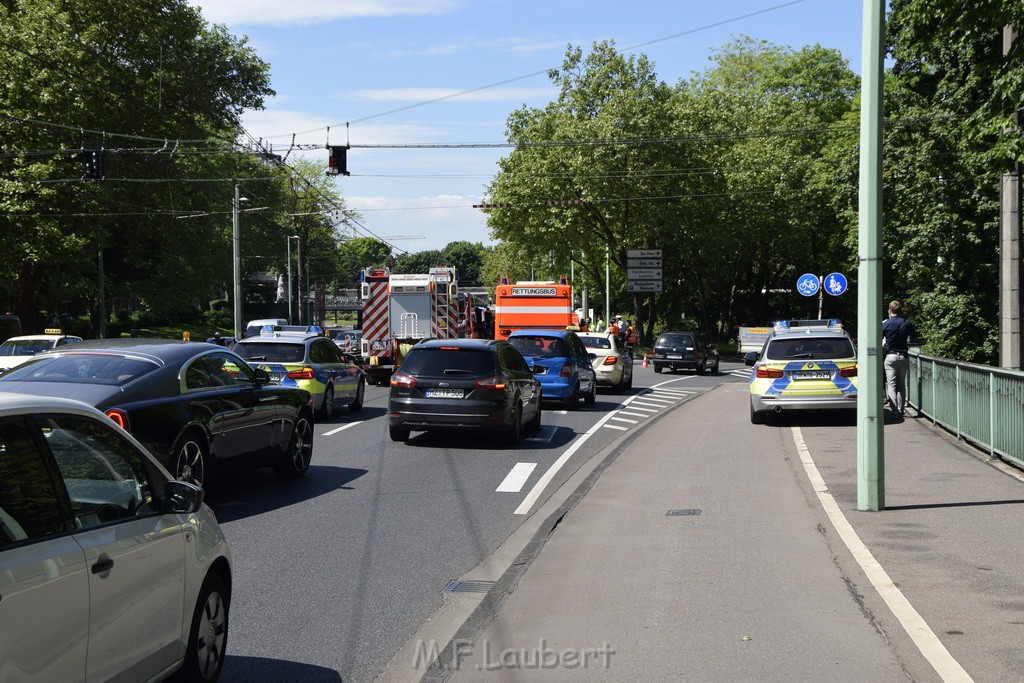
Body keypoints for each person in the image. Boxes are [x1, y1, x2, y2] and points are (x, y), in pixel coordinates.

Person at [881, 300, 913, 418]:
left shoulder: (886, 324)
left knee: (892, 384)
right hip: (903, 356)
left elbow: (880, 338)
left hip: (890, 356)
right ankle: (901, 410)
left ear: (890, 311)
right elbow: (911, 337)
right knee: (901, 384)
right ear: (900, 311)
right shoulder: (907, 323)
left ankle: (894, 411)